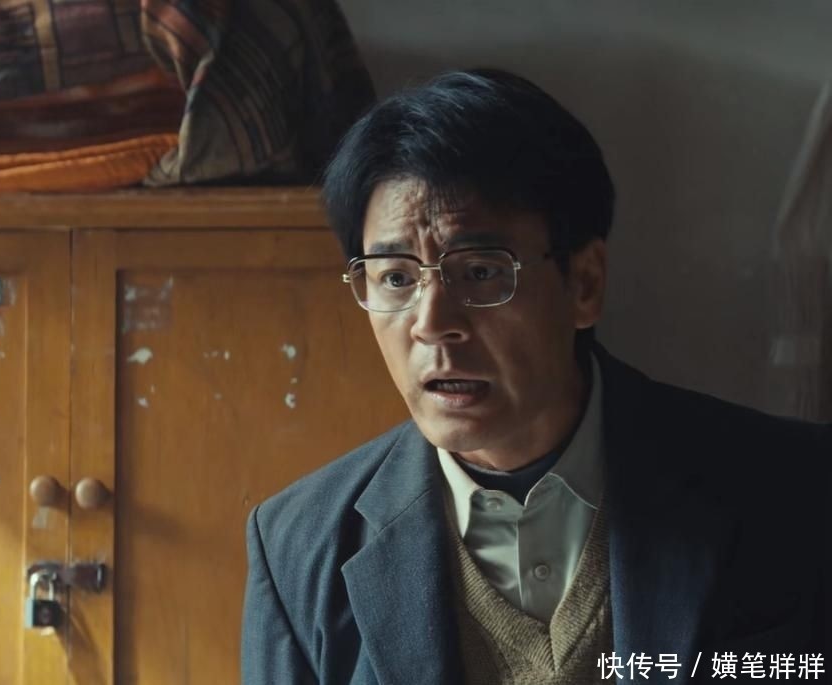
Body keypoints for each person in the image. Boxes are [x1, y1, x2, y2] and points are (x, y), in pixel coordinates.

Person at [241, 68, 831, 684]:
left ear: (585, 284)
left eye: (480, 271)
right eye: (395, 278)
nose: (432, 324)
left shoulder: (794, 487)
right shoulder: (298, 547)